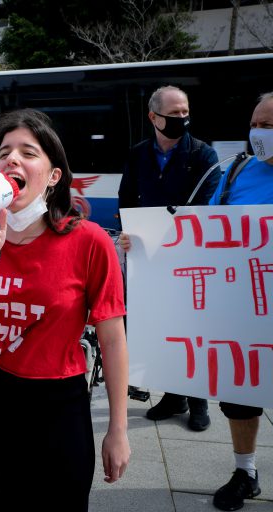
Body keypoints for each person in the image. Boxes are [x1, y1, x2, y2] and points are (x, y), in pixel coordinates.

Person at [0, 109, 130, 511]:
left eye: (28, 152)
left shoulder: (89, 242)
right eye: (4, 152)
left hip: (59, 404)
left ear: (53, 175)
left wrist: (118, 429)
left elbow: (113, 340)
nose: (12, 159)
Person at [118, 85, 220, 432]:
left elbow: (207, 207)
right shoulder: (138, 154)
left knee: (191, 329)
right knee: (162, 329)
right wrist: (128, 231)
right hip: (149, 257)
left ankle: (198, 401)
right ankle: (173, 395)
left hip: (190, 258)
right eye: (173, 113)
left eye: (184, 112)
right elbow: (127, 197)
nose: (181, 119)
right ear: (153, 117)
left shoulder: (203, 155)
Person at [208, 92, 273, 511]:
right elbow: (204, 230)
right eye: (256, 124)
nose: (259, 133)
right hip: (244, 308)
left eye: (269, 126)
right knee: (241, 395)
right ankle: (245, 470)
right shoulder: (236, 172)